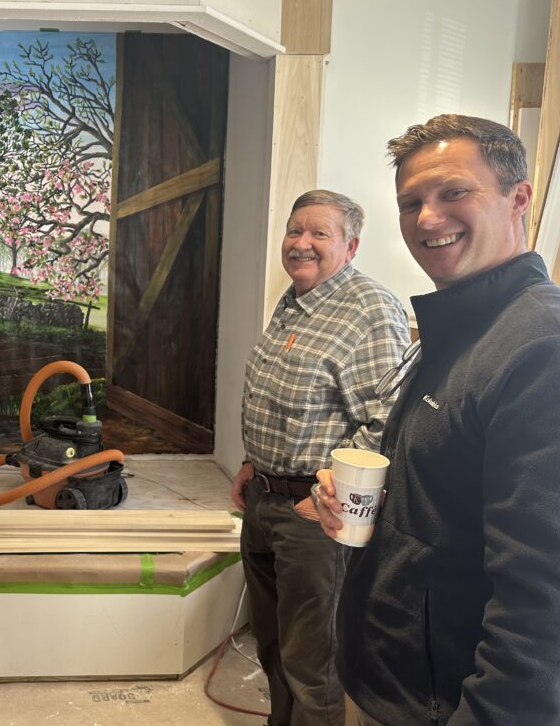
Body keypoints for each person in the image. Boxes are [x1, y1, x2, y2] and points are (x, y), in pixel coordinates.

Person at [315, 114, 560, 725]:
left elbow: (548, 602)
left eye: (453, 192)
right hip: (391, 683)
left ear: (519, 198)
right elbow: (450, 493)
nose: (428, 219)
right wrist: (379, 505)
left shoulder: (549, 348)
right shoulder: (456, 328)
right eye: (411, 203)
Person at [232, 189, 411, 726]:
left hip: (315, 514)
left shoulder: (369, 309)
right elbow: (275, 394)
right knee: (272, 644)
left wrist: (327, 496)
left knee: (313, 662)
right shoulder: (293, 300)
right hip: (264, 499)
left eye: (319, 233)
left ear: (350, 246)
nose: (301, 243)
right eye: (295, 230)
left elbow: (387, 418)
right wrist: (251, 463)